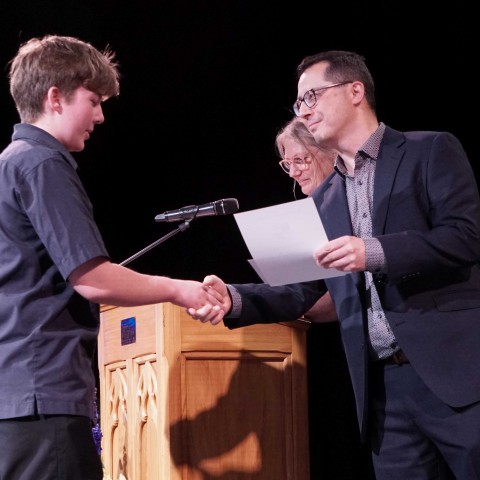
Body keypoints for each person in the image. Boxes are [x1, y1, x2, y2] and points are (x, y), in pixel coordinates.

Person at [190, 50, 480, 480]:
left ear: (355, 91)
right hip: (383, 394)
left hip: (456, 379)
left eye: (312, 97)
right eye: (298, 104)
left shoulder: (429, 149)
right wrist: (233, 299)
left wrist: (374, 252)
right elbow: (304, 291)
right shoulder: (323, 200)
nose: (304, 111)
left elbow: (464, 237)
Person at [0, 34, 221, 480]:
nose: (100, 116)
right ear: (55, 97)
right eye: (93, 100)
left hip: (17, 397)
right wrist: (179, 289)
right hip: (45, 395)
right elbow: (93, 279)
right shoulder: (42, 162)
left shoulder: (9, 160)